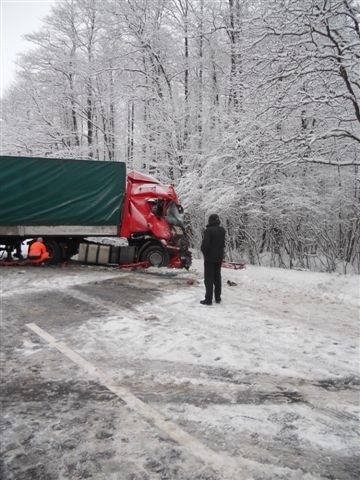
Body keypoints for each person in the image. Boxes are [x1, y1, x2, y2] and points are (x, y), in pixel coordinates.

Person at [200, 214, 226, 305]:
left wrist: (205, 254)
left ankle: (208, 300)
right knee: (217, 277)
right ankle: (218, 298)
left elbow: (205, 246)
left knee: (208, 279)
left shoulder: (208, 231)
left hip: (209, 259)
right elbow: (223, 245)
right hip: (219, 258)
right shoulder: (222, 230)